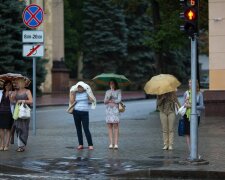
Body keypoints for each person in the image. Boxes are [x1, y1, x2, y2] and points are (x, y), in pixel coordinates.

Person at [69, 81, 96, 150]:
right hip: (76, 112)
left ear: (83, 88)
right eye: (78, 87)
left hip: (84, 113)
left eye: (81, 87)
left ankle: (90, 144)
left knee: (86, 128)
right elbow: (72, 102)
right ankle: (80, 144)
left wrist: (90, 97)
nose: (79, 88)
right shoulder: (75, 93)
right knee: (78, 129)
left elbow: (92, 100)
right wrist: (72, 94)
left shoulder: (86, 92)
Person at [11, 78, 33, 152]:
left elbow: (31, 101)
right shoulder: (15, 91)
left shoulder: (27, 91)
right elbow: (12, 102)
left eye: (17, 83)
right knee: (17, 128)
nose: (16, 84)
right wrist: (12, 97)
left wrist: (22, 100)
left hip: (24, 113)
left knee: (24, 128)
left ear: (22, 83)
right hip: (17, 112)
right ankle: (19, 145)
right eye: (16, 83)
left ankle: (22, 146)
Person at [183, 79, 204, 152]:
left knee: (193, 134)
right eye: (189, 83)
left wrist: (192, 106)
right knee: (187, 134)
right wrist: (186, 104)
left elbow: (202, 106)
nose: (190, 84)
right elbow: (184, 105)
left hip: (195, 116)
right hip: (187, 115)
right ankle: (191, 151)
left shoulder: (199, 94)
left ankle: (195, 151)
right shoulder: (186, 93)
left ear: (196, 84)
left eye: (191, 83)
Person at [104, 79, 122, 149]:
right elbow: (105, 101)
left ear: (115, 84)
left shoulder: (118, 91)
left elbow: (119, 100)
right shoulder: (107, 91)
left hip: (115, 110)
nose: (111, 85)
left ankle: (116, 143)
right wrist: (109, 97)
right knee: (109, 126)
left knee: (116, 125)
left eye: (113, 83)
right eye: (110, 83)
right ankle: (111, 143)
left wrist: (113, 100)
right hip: (108, 110)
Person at [0, 80, 14, 151]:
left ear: (11, 86)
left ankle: (6, 145)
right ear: (4, 86)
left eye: (9, 85)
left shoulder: (13, 93)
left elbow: (13, 102)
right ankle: (2, 144)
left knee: (8, 129)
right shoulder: (0, 92)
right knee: (1, 129)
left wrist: (10, 95)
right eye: (6, 85)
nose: (7, 86)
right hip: (1, 113)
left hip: (9, 113)